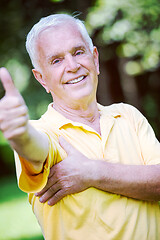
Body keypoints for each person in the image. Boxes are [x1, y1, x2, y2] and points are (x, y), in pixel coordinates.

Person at [0, 13, 160, 240]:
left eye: (78, 52)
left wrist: (91, 172)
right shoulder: (46, 131)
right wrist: (19, 133)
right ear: (42, 79)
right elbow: (33, 146)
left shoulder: (128, 116)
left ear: (95, 59)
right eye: (56, 61)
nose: (73, 66)